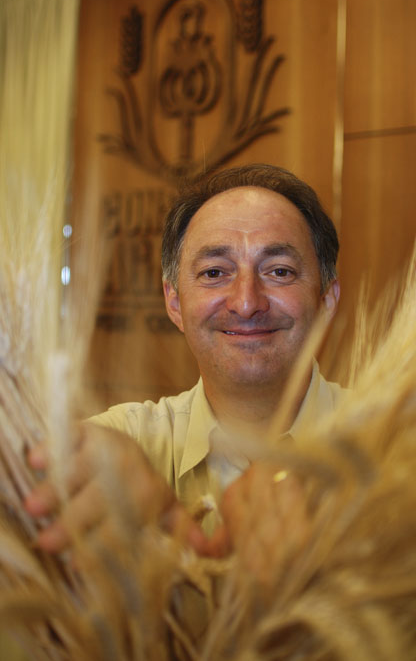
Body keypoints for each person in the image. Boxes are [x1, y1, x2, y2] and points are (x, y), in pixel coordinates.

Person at [24, 163, 344, 560]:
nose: (246, 302)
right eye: (214, 272)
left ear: (326, 300)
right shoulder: (123, 446)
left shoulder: (395, 449)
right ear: (174, 303)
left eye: (279, 271)